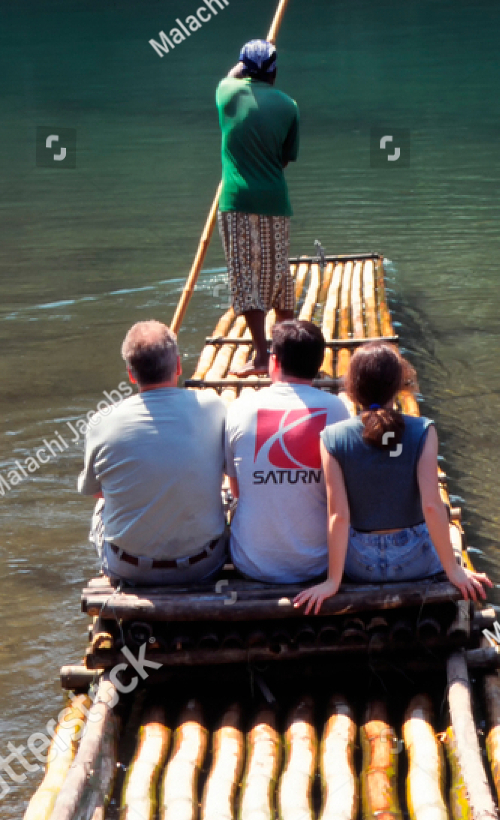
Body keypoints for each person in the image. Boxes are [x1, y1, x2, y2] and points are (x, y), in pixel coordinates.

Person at [294, 342, 492, 613]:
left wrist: (332, 581)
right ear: (400, 384)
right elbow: (432, 506)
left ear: (352, 387)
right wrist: (454, 571)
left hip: (360, 565)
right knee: (446, 522)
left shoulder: (331, 437)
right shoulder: (423, 430)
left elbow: (338, 516)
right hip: (415, 560)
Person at [78, 321, 229, 586]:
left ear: (131, 375)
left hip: (131, 569)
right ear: (179, 366)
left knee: (102, 504)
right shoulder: (213, 407)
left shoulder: (102, 422)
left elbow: (95, 490)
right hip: (203, 565)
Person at [223, 318, 349, 583]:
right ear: (318, 365)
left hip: (251, 562)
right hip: (319, 563)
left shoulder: (239, 408)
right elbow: (343, 492)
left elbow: (236, 490)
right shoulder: (337, 410)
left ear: (274, 361)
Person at [216, 38, 300, 377]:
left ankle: (263, 357)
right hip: (276, 201)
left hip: (238, 201)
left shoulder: (226, 92)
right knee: (278, 274)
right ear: (275, 72)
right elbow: (284, 159)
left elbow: (231, 75)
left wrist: (244, 68)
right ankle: (288, 356)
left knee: (245, 275)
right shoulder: (289, 105)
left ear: (243, 69)